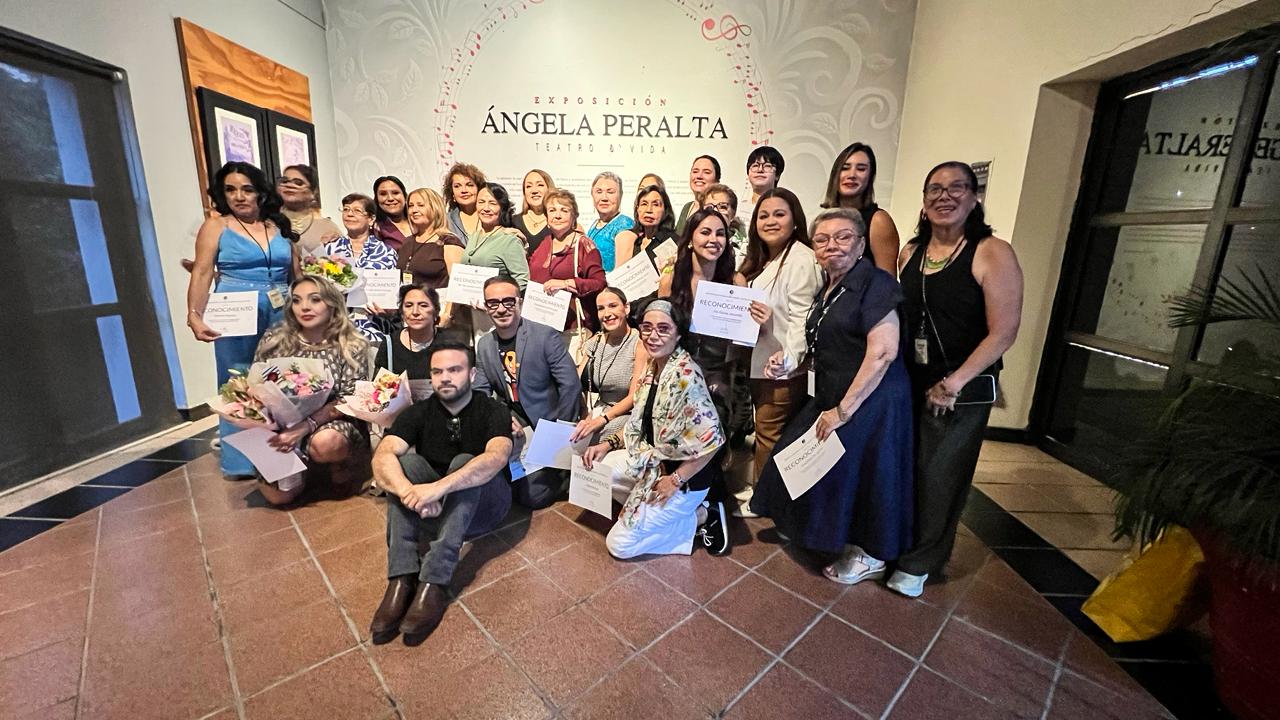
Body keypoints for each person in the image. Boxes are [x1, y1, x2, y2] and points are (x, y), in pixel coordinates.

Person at [751, 208, 915, 587]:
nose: (832, 246)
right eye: (822, 240)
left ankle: (869, 554)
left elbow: (883, 352)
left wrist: (842, 412)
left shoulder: (875, 283)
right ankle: (813, 530)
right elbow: (826, 347)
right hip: (832, 392)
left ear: (861, 244)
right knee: (789, 456)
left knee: (860, 474)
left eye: (843, 237)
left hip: (872, 399)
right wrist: (790, 367)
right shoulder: (829, 288)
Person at [890, 161, 1023, 597]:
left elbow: (1003, 331)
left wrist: (954, 382)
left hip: (961, 387)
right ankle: (899, 545)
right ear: (924, 200)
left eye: (956, 188)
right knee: (909, 468)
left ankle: (921, 561)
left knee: (940, 475)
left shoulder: (991, 252)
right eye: (935, 189)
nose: (944, 197)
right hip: (913, 379)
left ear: (974, 197)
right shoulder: (911, 251)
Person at [370, 340, 514, 642]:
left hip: (485, 507)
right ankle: (402, 577)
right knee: (405, 464)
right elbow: (382, 455)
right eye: (437, 372)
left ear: (471, 374)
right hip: (433, 509)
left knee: (467, 462)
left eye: (454, 370)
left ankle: (435, 578)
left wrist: (436, 490)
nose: (445, 377)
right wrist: (409, 491)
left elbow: (496, 457)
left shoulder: (493, 410)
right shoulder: (418, 412)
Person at [581, 299, 725, 558]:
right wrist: (607, 444)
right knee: (598, 469)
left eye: (663, 329)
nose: (653, 335)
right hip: (653, 462)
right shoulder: (653, 368)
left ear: (679, 334)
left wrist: (674, 481)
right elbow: (640, 424)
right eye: (647, 327)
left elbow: (712, 442)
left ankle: (702, 514)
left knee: (619, 546)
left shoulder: (685, 376)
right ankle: (652, 510)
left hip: (684, 479)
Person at [655, 207, 759, 554]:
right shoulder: (671, 280)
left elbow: (744, 343)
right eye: (705, 232)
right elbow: (663, 333)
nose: (713, 239)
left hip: (721, 375)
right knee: (683, 443)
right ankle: (709, 506)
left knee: (710, 439)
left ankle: (708, 507)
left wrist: (757, 323)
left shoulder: (736, 282)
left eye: (720, 233)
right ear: (690, 239)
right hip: (683, 375)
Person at [187, 161, 298, 478]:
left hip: (280, 306)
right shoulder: (216, 226)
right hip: (234, 308)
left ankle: (283, 453)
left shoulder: (278, 225)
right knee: (237, 379)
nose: (239, 196)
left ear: (260, 192)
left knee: (281, 377)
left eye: (247, 189)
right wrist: (194, 315)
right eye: (231, 190)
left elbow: (296, 274)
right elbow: (202, 271)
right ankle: (241, 461)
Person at [735, 188, 821, 515]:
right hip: (761, 361)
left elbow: (802, 318)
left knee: (770, 434)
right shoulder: (764, 260)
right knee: (767, 431)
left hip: (781, 366)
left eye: (779, 214)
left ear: (795, 219)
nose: (770, 221)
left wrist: (788, 357)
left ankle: (764, 501)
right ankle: (763, 492)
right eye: (763, 215)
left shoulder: (801, 259)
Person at [253, 275, 373, 506]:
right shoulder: (274, 340)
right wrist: (264, 423)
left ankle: (337, 467)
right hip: (281, 426)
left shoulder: (351, 344)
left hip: (332, 423)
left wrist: (303, 428)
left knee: (326, 443)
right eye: (297, 301)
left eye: (315, 299)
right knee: (278, 497)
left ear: (332, 304)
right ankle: (300, 472)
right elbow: (256, 387)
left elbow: (348, 399)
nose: (304, 307)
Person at [473, 275, 582, 509]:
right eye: (493, 303)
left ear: (519, 302)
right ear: (486, 307)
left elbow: (570, 385)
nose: (501, 309)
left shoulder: (544, 336)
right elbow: (479, 393)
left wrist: (559, 432)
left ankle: (564, 473)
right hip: (514, 423)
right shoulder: (484, 345)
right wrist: (500, 418)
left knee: (533, 497)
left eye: (508, 301)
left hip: (548, 422)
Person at [569, 287, 648, 446]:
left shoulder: (639, 344)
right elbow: (576, 383)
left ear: (626, 308)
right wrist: (585, 414)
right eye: (601, 308)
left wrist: (601, 419)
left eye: (613, 306)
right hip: (597, 410)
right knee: (571, 437)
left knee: (584, 443)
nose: (607, 313)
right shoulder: (595, 342)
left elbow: (634, 396)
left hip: (625, 414)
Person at [528, 189, 607, 336]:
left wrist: (565, 284)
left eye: (564, 210)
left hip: (572, 326)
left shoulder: (584, 245)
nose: (557, 215)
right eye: (552, 210)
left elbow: (599, 283)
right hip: (542, 324)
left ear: (574, 216)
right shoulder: (544, 243)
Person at [323, 193, 399, 341]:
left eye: (357, 210)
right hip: (337, 328)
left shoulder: (387, 252)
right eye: (346, 209)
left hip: (375, 329)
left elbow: (393, 292)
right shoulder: (329, 249)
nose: (349, 214)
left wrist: (389, 309)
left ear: (371, 219)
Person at [820, 143, 900, 275]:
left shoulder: (878, 221)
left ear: (870, 177)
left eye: (861, 169)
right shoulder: (826, 219)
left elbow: (887, 283)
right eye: (845, 168)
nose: (852, 175)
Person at [399, 187, 464, 328]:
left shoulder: (449, 241)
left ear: (435, 208)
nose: (414, 210)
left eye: (420, 205)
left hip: (438, 314)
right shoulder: (407, 242)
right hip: (410, 314)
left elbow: (458, 284)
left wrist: (447, 315)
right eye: (411, 206)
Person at [374, 284, 442, 402]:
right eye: (408, 305)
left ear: (435, 311)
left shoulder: (450, 343)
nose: (415, 312)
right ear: (402, 312)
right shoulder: (390, 344)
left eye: (423, 305)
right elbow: (378, 393)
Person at [613, 183, 679, 272]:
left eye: (656, 205)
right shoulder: (634, 241)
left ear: (665, 211)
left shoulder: (671, 241)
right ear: (637, 209)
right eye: (644, 204)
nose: (649, 210)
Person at [278, 165, 343, 256]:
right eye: (284, 181)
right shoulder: (266, 222)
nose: (289, 185)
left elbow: (342, 261)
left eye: (298, 183)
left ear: (313, 192)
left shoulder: (327, 228)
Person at [585, 171, 633, 271]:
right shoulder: (595, 224)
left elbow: (622, 273)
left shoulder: (624, 225)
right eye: (599, 192)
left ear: (620, 195)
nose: (604, 198)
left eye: (610, 192)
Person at [700, 183, 747, 270]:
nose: (715, 211)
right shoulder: (693, 243)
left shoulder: (744, 249)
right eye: (709, 207)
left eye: (722, 207)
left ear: (733, 214)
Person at [512, 169, 555, 256]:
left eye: (540, 185)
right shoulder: (512, 222)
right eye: (528, 186)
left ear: (550, 189)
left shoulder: (559, 222)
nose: (534, 190)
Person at [675, 154, 720, 233]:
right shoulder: (687, 207)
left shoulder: (719, 210)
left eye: (706, 172)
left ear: (717, 180)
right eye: (695, 171)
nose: (699, 176)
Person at [443, 163, 486, 244]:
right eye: (457, 186)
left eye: (469, 185)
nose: (464, 190)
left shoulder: (491, 217)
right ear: (452, 193)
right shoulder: (445, 221)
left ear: (479, 189)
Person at [743, 146, 784, 227]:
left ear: (777, 175)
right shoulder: (738, 209)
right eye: (755, 166)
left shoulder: (785, 208)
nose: (760, 170)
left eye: (767, 166)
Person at [372, 176, 412, 252]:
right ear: (376, 199)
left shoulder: (418, 221)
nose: (390, 198)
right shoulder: (375, 229)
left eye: (395, 193)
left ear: (405, 196)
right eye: (383, 194)